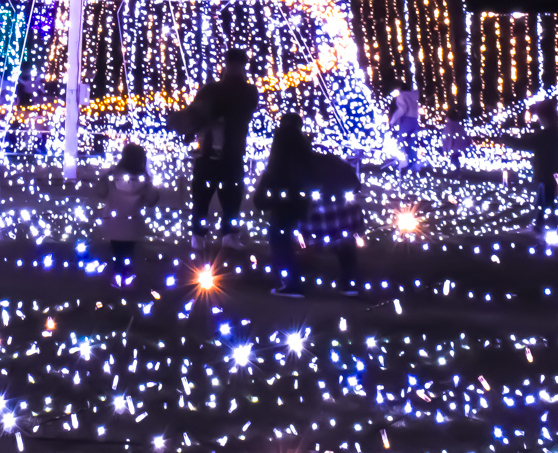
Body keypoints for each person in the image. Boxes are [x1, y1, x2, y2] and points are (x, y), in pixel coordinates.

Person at [255, 112, 360, 297]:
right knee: (342, 235)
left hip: (309, 224)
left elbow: (259, 201)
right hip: (342, 221)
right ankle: (349, 283)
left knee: (278, 230)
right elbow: (355, 184)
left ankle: (292, 282)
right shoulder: (324, 159)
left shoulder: (277, 169)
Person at [175, 48, 259, 250]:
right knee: (205, 195)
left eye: (238, 64)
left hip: (229, 151)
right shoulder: (217, 89)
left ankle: (223, 235)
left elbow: (241, 113)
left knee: (230, 195)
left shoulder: (242, 91)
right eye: (233, 64)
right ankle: (202, 234)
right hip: (212, 152)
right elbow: (195, 114)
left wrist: (209, 116)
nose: (235, 68)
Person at [97, 142, 160, 286]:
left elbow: (100, 192)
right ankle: (126, 274)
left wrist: (105, 177)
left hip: (112, 222)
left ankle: (117, 275)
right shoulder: (144, 180)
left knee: (117, 250)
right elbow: (151, 200)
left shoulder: (113, 175)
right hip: (132, 224)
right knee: (128, 250)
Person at [519, 100, 558, 233]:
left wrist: (506, 140)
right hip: (555, 173)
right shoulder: (556, 133)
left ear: (545, 118)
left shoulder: (546, 135)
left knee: (547, 200)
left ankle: (549, 225)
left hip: (548, 174)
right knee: (544, 198)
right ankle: (541, 223)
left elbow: (526, 143)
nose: (539, 121)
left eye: (540, 118)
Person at [387, 84, 425, 163]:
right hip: (415, 120)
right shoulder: (415, 94)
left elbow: (402, 109)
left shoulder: (402, 95)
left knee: (402, 141)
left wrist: (393, 120)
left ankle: (402, 163)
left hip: (406, 119)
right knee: (411, 143)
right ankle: (412, 164)